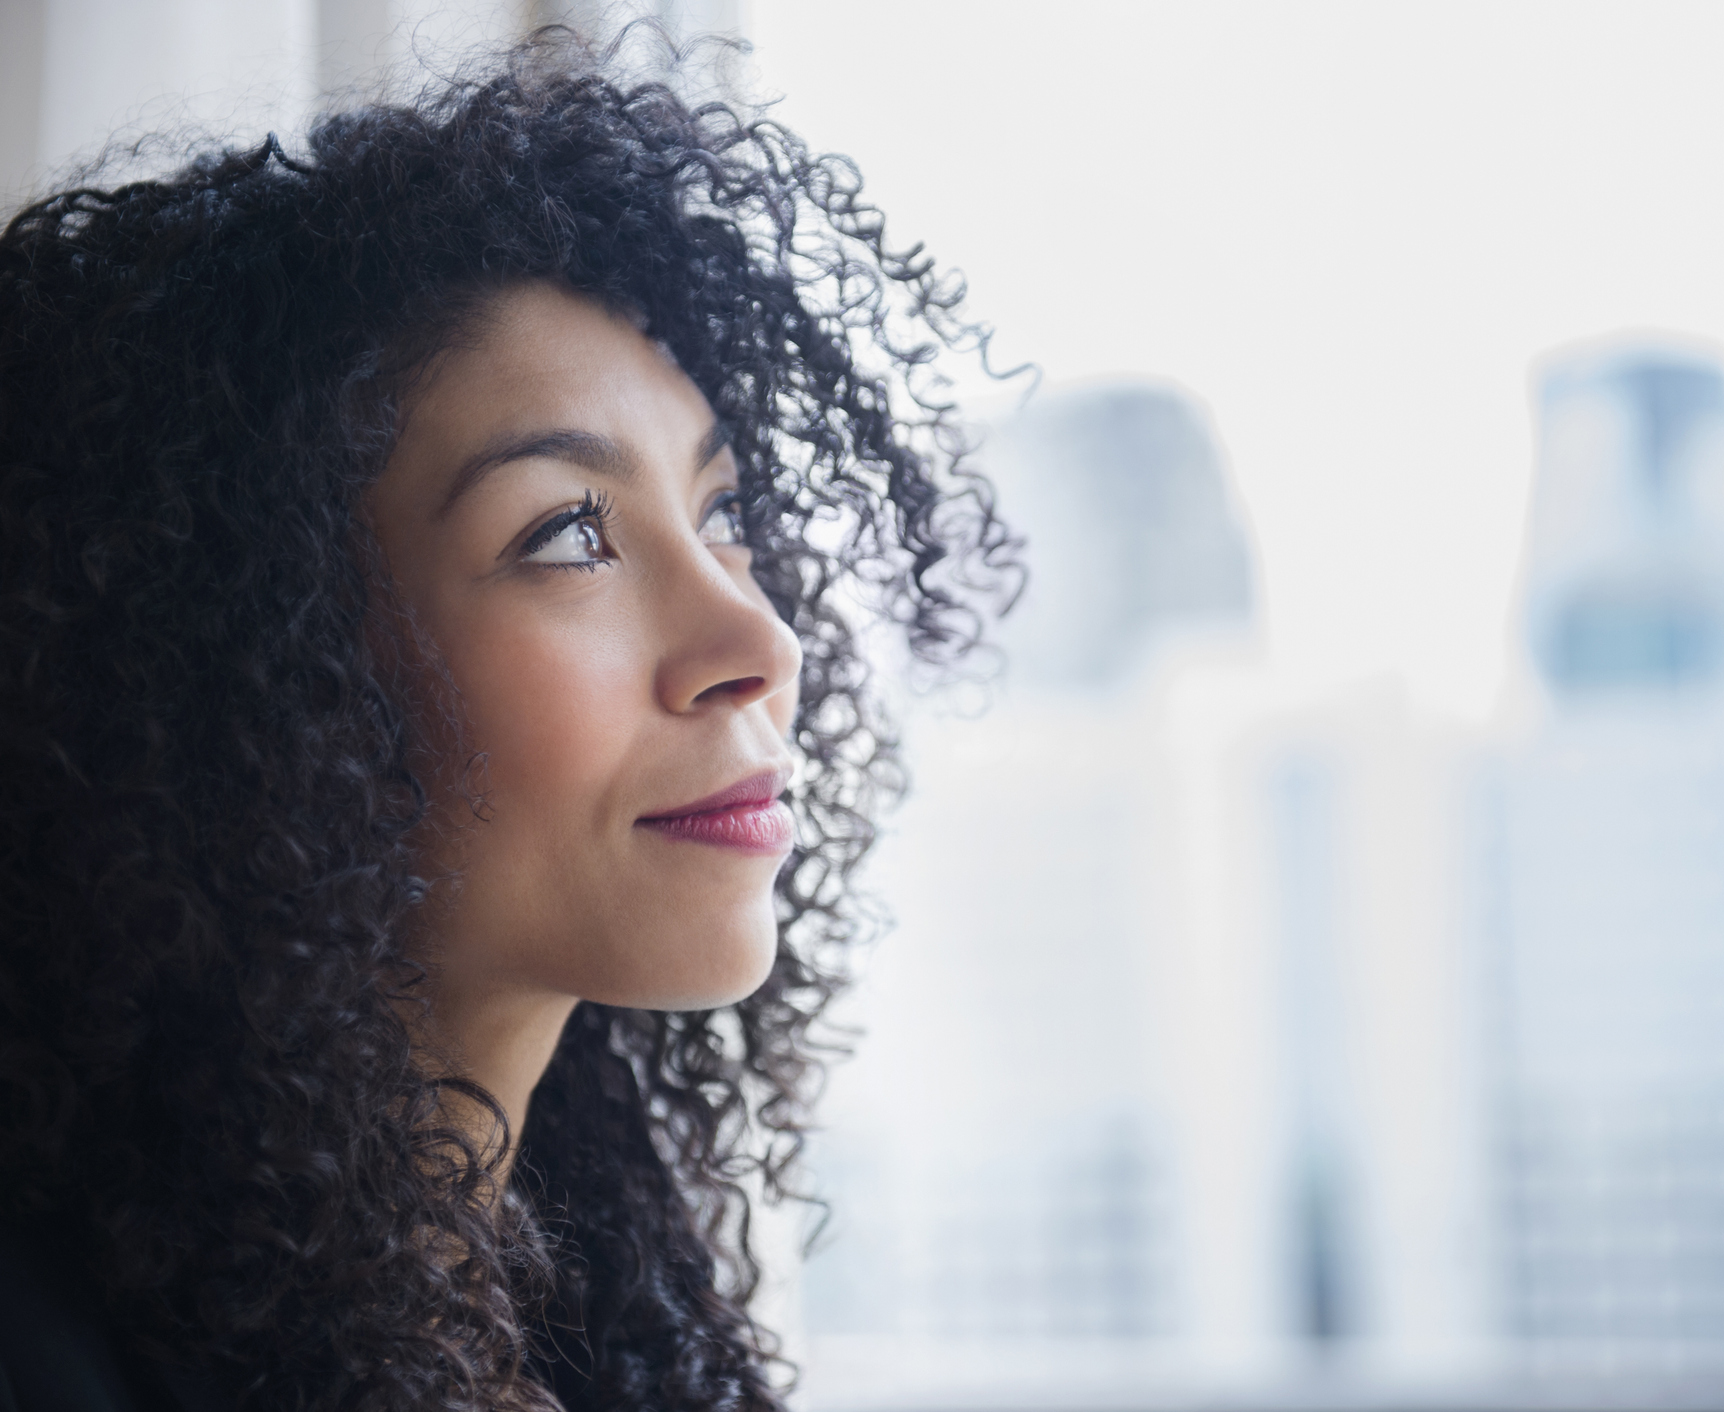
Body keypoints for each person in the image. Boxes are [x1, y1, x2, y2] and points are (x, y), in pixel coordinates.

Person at [0, 28, 1013, 1412]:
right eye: (568, 534)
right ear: (253, 668)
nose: (755, 644)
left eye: (721, 515)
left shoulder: (594, 1313)